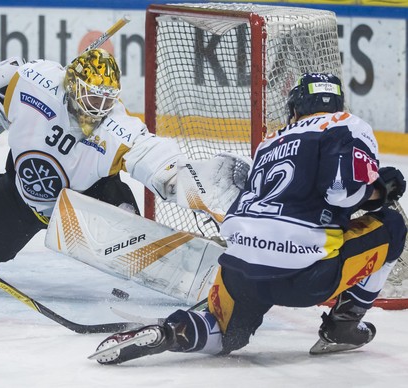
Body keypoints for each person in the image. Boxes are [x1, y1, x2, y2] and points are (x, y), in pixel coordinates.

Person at [90, 73, 408, 364]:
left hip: (240, 270)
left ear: (295, 108)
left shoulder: (270, 142)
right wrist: (380, 190)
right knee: (393, 226)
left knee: (227, 333)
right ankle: (343, 325)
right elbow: (341, 192)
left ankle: (173, 333)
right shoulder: (347, 124)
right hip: (306, 278)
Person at [0, 49, 246, 287]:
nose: (99, 109)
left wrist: (197, 183)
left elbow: (158, 159)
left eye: (106, 100)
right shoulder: (34, 82)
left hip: (86, 208)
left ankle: (156, 253)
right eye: (92, 98)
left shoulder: (118, 127)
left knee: (127, 221)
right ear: (71, 86)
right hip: (20, 200)